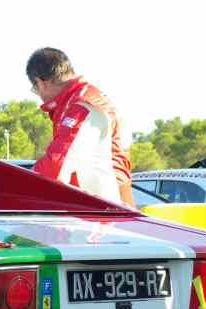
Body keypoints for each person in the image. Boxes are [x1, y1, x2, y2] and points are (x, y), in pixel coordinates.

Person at [26, 48, 134, 207]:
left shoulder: (81, 106)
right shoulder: (85, 98)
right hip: (106, 204)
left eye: (35, 89)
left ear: (41, 83)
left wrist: (21, 182)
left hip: (103, 209)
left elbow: (56, 167)